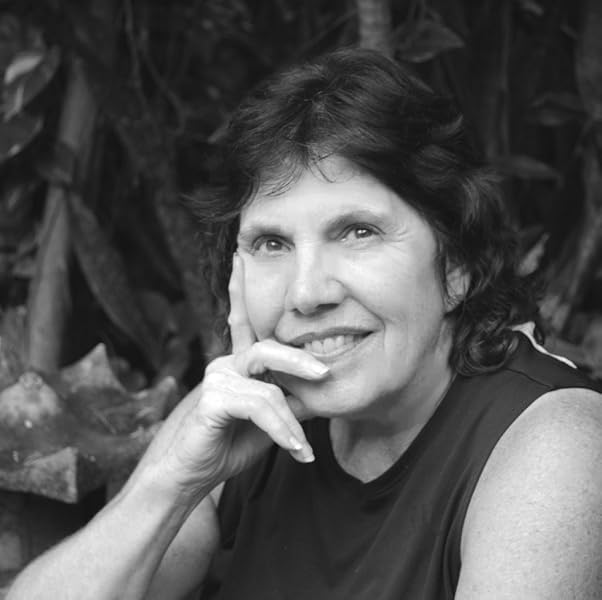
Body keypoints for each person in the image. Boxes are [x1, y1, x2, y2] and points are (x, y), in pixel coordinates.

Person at [8, 48, 602, 600]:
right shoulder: (248, 409)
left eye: (359, 232)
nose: (307, 293)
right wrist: (170, 483)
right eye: (271, 243)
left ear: (457, 267)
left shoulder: (553, 440)